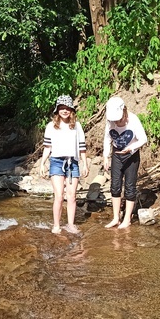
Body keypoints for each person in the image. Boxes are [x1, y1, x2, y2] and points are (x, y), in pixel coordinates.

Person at [39, 95, 89, 235]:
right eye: (62, 108)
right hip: (56, 162)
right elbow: (47, 147)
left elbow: (82, 147)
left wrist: (85, 164)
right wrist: (42, 164)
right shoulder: (51, 126)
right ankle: (56, 225)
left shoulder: (77, 126)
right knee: (59, 196)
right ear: (57, 110)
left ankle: (71, 224)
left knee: (72, 195)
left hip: (72, 162)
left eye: (67, 108)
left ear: (71, 110)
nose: (64, 111)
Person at [102, 96, 148, 229]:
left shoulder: (133, 120)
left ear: (124, 111)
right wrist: (106, 157)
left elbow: (143, 139)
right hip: (117, 154)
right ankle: (116, 218)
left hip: (131, 155)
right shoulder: (110, 121)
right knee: (115, 186)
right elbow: (107, 139)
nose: (116, 121)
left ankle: (127, 218)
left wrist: (131, 148)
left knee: (129, 187)